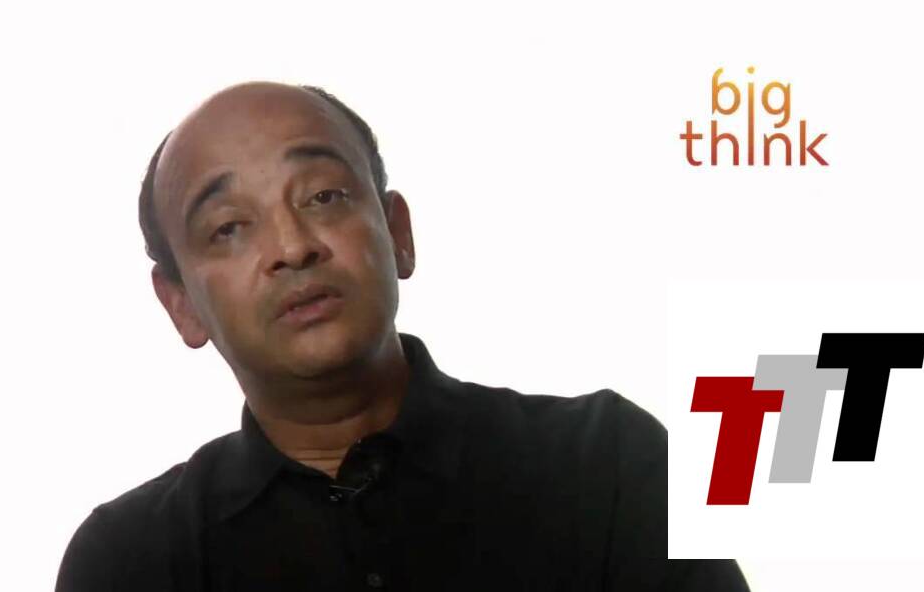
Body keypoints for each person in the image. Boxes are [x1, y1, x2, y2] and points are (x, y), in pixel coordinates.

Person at [54, 81, 751, 591]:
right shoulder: (129, 561)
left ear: (398, 233)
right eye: (229, 227)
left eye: (323, 196)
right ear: (180, 304)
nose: (292, 247)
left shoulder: (609, 464)